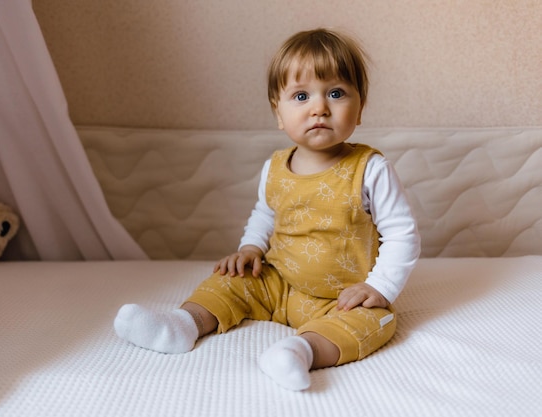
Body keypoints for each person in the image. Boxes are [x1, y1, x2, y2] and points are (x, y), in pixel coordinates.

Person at [114, 28, 420, 391]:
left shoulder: (369, 169)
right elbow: (265, 214)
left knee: (377, 321)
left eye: (336, 93)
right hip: (278, 284)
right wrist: (251, 248)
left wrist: (379, 287)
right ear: (279, 112)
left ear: (360, 107)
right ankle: (183, 325)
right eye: (301, 96)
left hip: (342, 298)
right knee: (231, 281)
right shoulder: (275, 166)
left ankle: (301, 351)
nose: (319, 107)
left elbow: (402, 234)